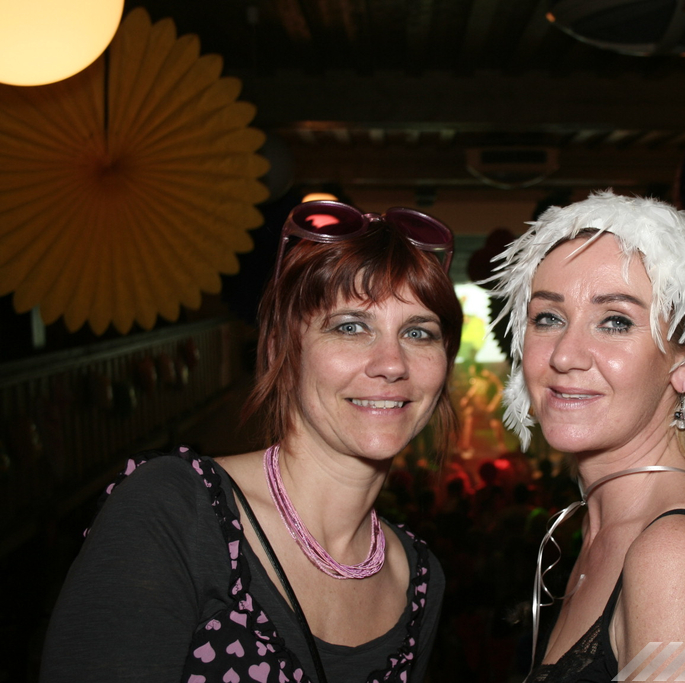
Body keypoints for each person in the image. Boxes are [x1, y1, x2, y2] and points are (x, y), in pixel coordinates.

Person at [40, 200, 463, 683]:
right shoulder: (174, 511)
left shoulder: (418, 579)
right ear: (281, 348)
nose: (392, 364)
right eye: (350, 327)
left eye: (418, 332)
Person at [490, 191, 685, 681]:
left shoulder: (680, 557)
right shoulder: (606, 528)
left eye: (615, 322)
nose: (565, 355)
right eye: (548, 317)